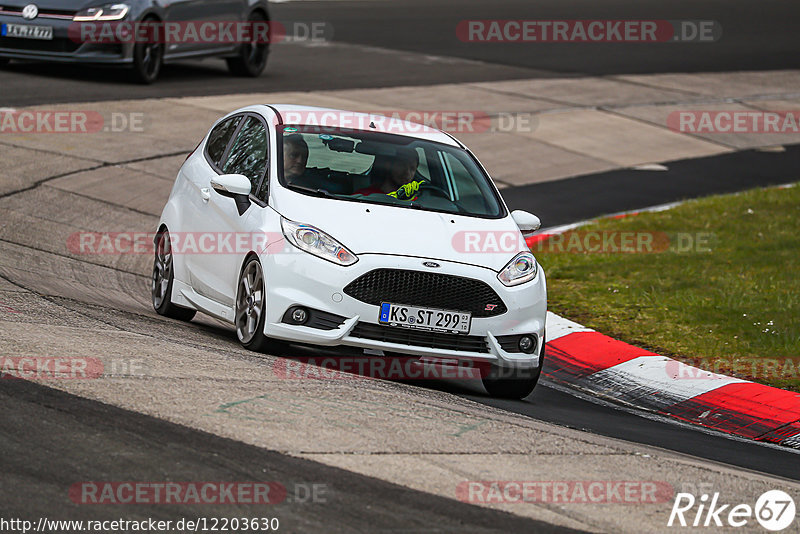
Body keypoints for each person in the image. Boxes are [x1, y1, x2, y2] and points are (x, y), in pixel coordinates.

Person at [355, 147, 426, 200]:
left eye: (412, 168)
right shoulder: (364, 196)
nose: (407, 172)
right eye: (402, 166)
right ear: (388, 166)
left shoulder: (416, 201)